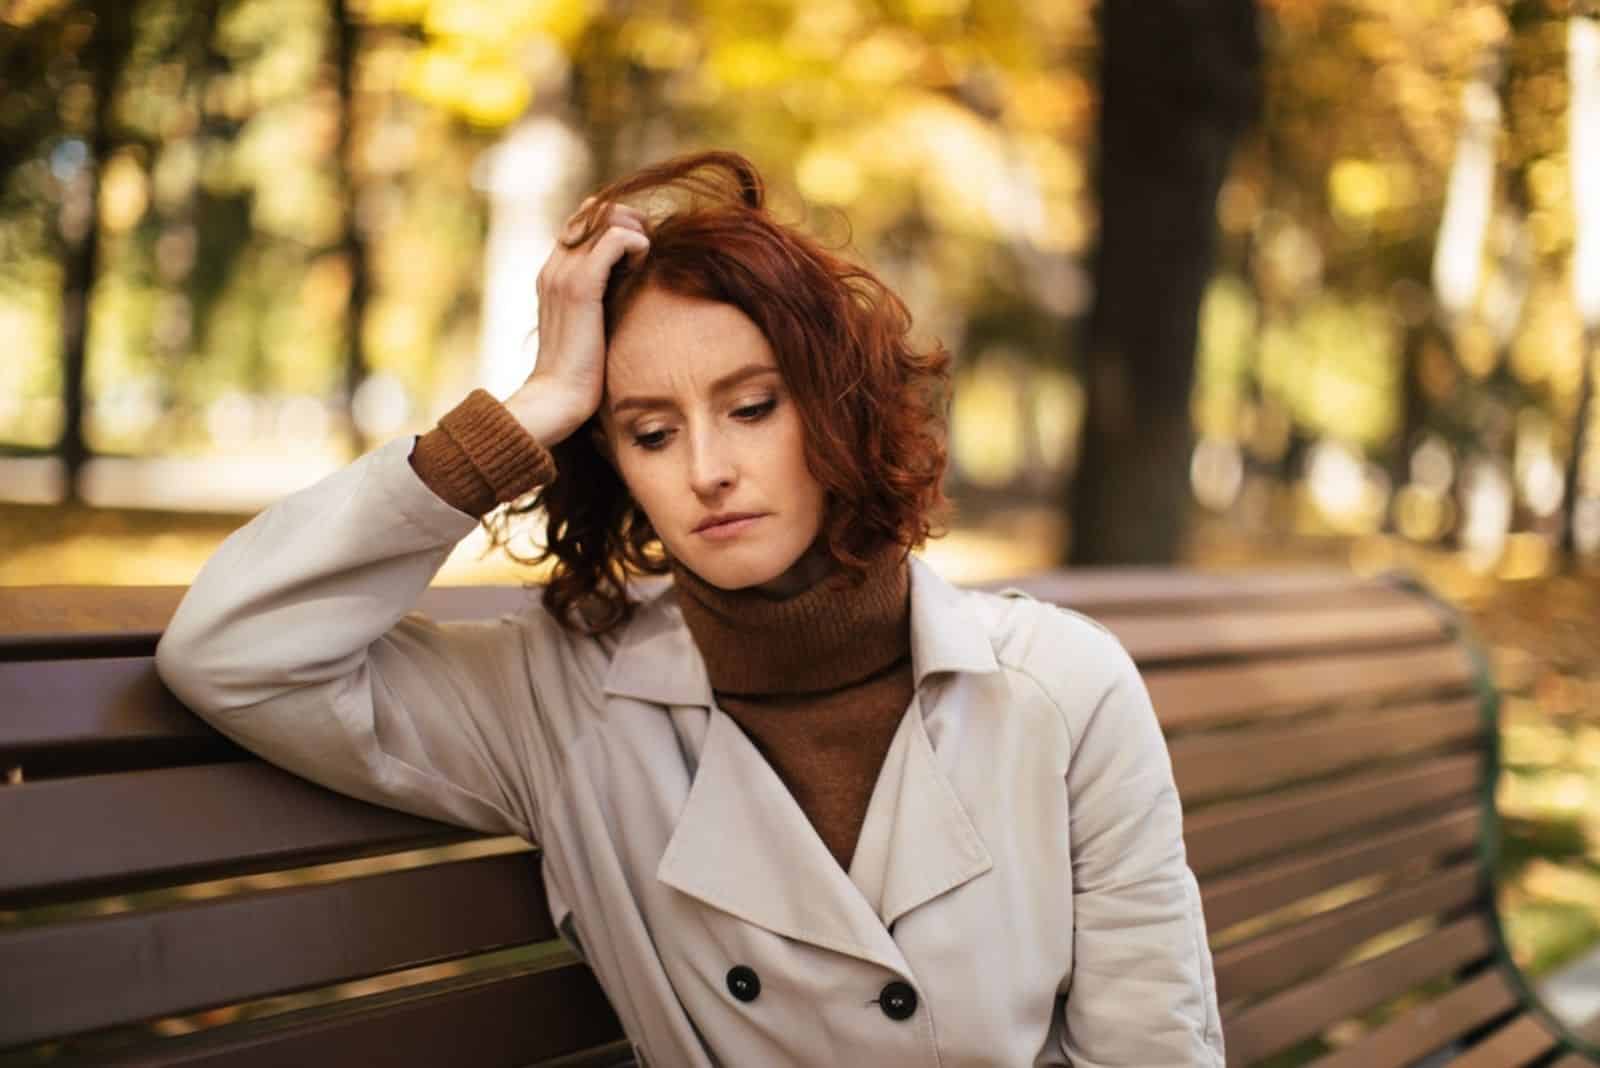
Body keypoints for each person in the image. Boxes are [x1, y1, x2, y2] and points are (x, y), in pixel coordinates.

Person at [156, 150, 1223, 1066]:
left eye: (751, 407)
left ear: (837, 407)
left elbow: (1151, 1046)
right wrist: (528, 412)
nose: (708, 468)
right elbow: (236, 652)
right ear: (612, 460)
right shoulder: (559, 699)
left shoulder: (1059, 689)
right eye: (651, 432)